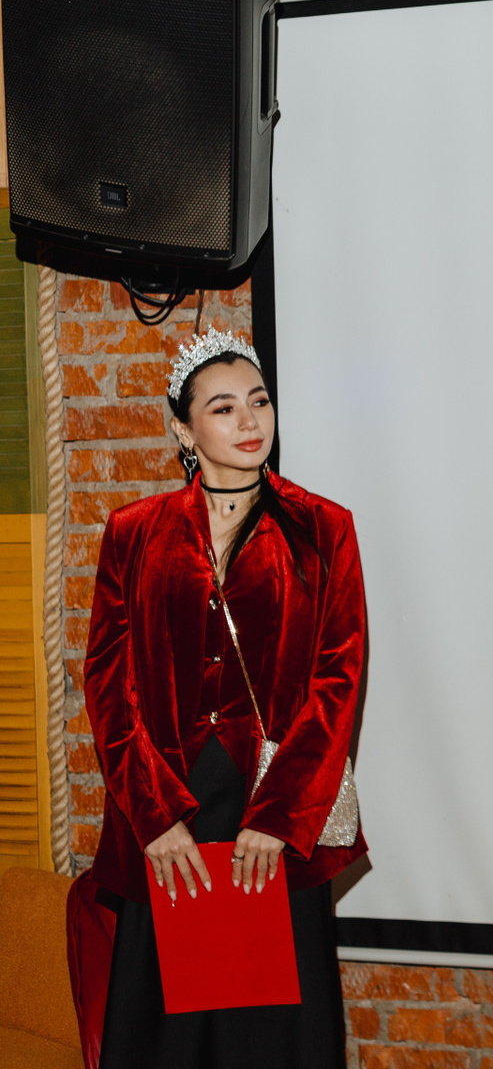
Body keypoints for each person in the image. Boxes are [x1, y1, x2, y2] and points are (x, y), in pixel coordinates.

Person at [82, 328, 368, 1068]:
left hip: (271, 811)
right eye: (223, 407)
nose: (250, 421)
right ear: (184, 430)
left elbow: (338, 681)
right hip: (166, 812)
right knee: (167, 1034)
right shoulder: (133, 534)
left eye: (259, 401)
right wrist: (153, 818)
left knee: (274, 1034)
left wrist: (279, 817)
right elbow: (109, 685)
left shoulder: (324, 529)